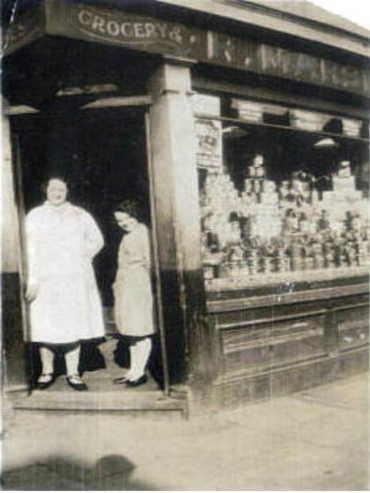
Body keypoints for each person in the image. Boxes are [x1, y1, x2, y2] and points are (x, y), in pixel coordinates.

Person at [25, 176, 105, 391]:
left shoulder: (80, 215)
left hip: (73, 281)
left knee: (73, 325)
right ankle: (46, 371)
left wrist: (83, 256)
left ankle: (73, 373)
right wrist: (32, 280)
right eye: (53, 188)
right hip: (46, 281)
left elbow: (97, 240)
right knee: (45, 326)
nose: (57, 192)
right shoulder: (35, 216)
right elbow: (30, 250)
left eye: (61, 188)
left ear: (68, 190)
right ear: (46, 190)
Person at [112, 200, 155, 387]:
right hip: (127, 286)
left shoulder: (143, 234)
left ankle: (140, 372)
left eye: (125, 219)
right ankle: (133, 370)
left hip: (138, 285)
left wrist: (144, 283)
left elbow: (149, 262)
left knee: (141, 329)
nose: (122, 224)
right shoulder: (129, 235)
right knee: (131, 331)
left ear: (134, 215)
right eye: (119, 221)